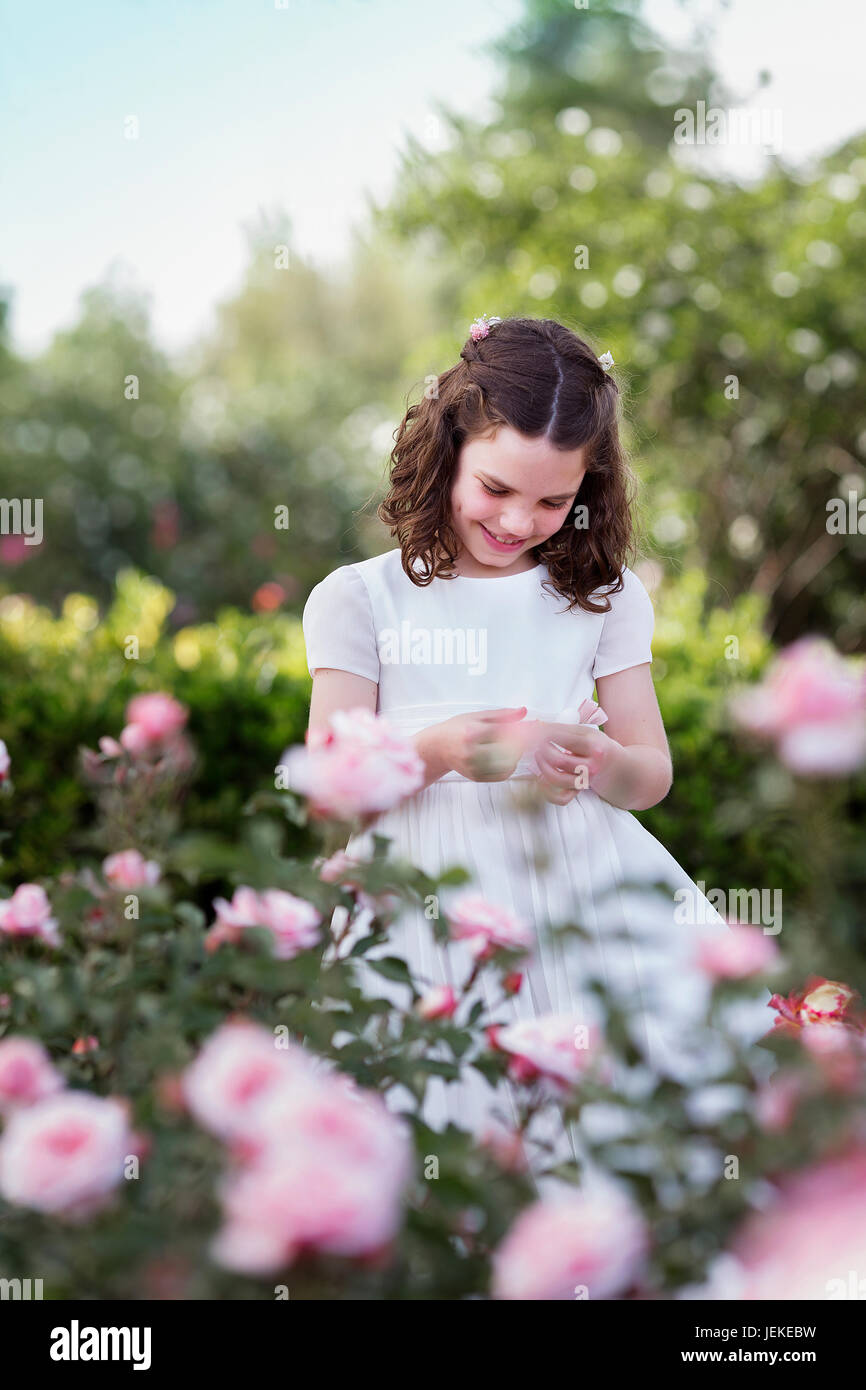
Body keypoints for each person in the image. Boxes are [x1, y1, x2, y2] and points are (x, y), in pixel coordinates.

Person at [301, 314, 761, 1162]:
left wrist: (597, 763)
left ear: (591, 486)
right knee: (434, 1123)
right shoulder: (362, 599)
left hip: (577, 882)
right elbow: (329, 787)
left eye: (555, 500)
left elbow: (648, 774)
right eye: (496, 488)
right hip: (422, 899)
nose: (520, 520)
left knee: (610, 1125)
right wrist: (446, 750)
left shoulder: (604, 597)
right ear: (446, 451)